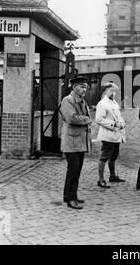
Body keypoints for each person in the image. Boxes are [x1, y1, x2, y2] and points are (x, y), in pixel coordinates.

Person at [61, 76, 92, 210]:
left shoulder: (81, 101)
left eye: (85, 87)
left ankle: (70, 195)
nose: (84, 89)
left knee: (77, 170)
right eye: (81, 86)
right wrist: (87, 119)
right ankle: (71, 199)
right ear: (74, 87)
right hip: (72, 141)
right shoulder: (68, 100)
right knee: (73, 170)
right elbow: (71, 118)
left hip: (79, 142)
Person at [95, 82, 126, 189]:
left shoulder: (114, 103)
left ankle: (112, 176)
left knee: (114, 156)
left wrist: (122, 123)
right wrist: (113, 124)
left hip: (116, 135)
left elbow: (118, 116)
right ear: (106, 91)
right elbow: (99, 119)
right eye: (112, 91)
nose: (114, 93)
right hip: (108, 135)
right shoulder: (102, 103)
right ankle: (101, 179)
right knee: (104, 157)